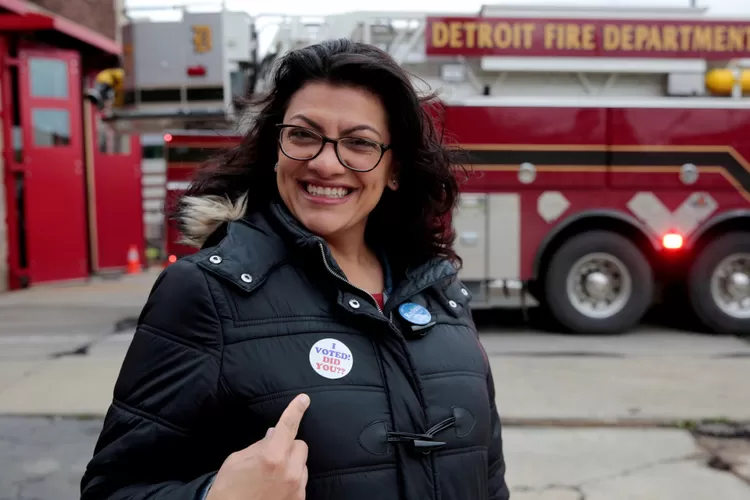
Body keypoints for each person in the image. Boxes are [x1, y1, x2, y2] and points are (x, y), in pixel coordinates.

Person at [80, 38, 510, 500]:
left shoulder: (440, 292)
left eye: (359, 143)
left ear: (394, 170)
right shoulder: (205, 294)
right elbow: (113, 489)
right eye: (303, 135)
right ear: (275, 148)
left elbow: (489, 481)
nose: (326, 163)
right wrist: (215, 497)